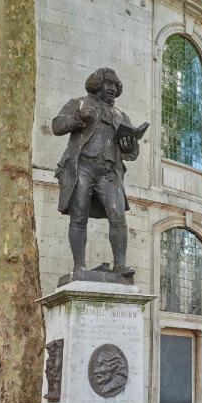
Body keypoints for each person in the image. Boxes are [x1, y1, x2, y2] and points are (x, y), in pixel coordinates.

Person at [52, 68, 142, 276]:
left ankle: (120, 266)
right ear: (96, 84)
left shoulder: (121, 116)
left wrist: (130, 147)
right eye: (107, 83)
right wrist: (77, 118)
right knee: (78, 217)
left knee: (118, 216)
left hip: (109, 172)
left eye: (115, 85)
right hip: (81, 168)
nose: (112, 88)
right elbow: (56, 126)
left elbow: (132, 153)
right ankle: (79, 267)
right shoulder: (80, 103)